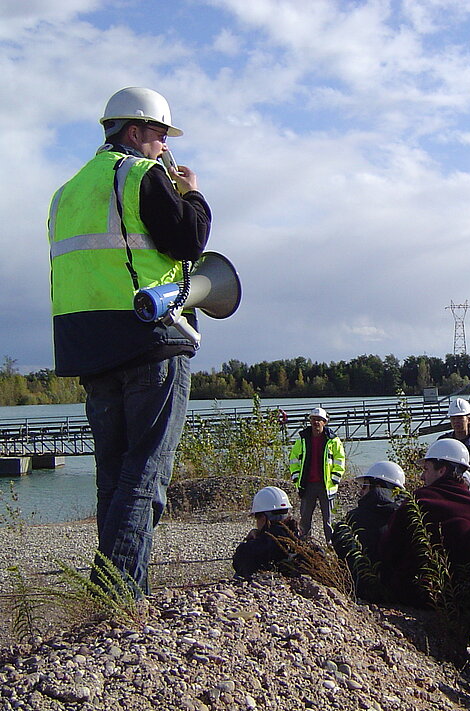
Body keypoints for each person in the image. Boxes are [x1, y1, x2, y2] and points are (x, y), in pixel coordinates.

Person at [48, 87, 211, 596]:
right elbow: (188, 238)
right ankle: (117, 593)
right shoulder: (141, 174)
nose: (164, 146)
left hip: (88, 346)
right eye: (160, 135)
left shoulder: (68, 190)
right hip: (149, 337)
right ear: (135, 132)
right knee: (146, 473)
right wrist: (194, 194)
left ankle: (114, 591)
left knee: (114, 476)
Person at [380, 439, 470, 607]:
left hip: (416, 593)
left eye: (426, 469)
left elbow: (388, 549)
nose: (422, 476)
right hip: (465, 593)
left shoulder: (417, 502)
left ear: (442, 470)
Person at [331, 461, 407, 600]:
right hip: (403, 593)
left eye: (364, 486)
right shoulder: (407, 516)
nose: (361, 491)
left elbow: (341, 549)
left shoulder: (355, 517)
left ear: (377, 486)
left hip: (363, 591)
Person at [289, 407, 346, 543]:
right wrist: (296, 477)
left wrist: (335, 478)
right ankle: (304, 545)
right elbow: (293, 459)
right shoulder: (302, 439)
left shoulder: (333, 440)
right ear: (310, 421)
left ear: (324, 422)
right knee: (305, 518)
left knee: (329, 519)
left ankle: (332, 545)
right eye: (314, 420)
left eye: (319, 420)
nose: (316, 423)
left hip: (326, 485)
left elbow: (340, 460)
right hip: (307, 484)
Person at [233, 487, 302, 579]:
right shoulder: (299, 539)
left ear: (263, 517)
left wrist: (250, 541)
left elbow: (239, 564)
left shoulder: (256, 547)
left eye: (256, 517)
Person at [438, 398, 470, 494]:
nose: (456, 422)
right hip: (445, 488)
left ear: (468, 419)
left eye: (460, 418)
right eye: (453, 418)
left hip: (469, 489)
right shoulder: (443, 441)